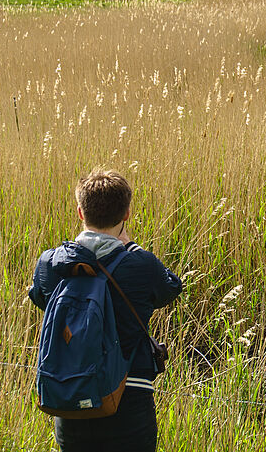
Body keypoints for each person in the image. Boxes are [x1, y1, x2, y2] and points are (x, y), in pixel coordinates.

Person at [29, 169, 183, 452]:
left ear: (80, 212)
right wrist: (131, 247)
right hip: (128, 401)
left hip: (71, 398)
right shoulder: (140, 265)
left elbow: (39, 297)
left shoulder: (50, 264)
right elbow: (172, 287)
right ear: (126, 214)